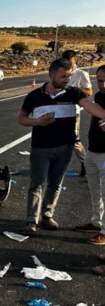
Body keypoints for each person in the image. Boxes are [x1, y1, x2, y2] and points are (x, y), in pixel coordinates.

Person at [17, 58, 105, 235]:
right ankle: (31, 220)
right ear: (51, 75)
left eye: (69, 76)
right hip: (40, 147)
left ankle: (47, 215)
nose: (67, 80)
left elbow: (89, 107)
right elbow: (21, 119)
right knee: (37, 184)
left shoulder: (73, 93)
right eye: (63, 76)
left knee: (56, 183)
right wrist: (38, 122)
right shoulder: (34, 96)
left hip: (64, 147)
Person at [74, 65, 105, 245]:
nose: (103, 84)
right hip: (94, 150)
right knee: (95, 191)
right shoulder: (100, 95)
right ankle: (97, 222)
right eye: (100, 80)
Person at [61, 50, 93, 177]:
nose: (68, 65)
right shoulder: (60, 72)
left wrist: (74, 90)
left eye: (70, 63)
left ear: (75, 61)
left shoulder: (81, 74)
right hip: (58, 110)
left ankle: (85, 163)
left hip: (73, 112)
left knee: (74, 140)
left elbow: (89, 91)